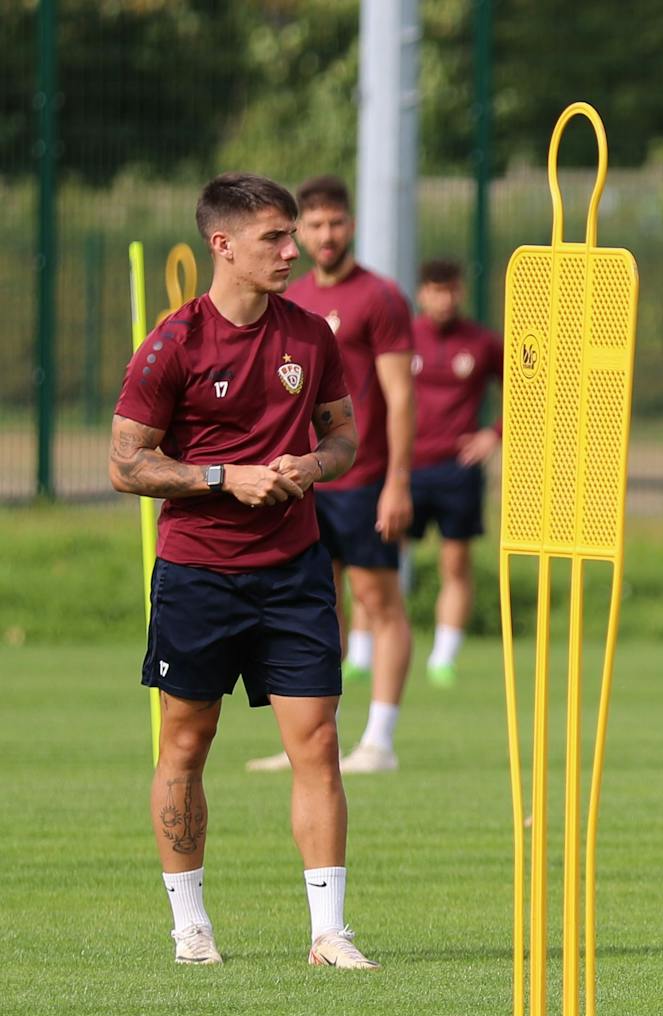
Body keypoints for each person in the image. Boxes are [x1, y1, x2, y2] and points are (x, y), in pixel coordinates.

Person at [110, 171, 379, 969]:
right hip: (198, 573)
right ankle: (190, 927)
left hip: (295, 570)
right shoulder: (173, 343)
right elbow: (126, 463)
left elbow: (344, 438)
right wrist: (226, 477)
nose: (293, 250)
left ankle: (329, 932)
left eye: (293, 234)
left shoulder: (311, 336)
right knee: (187, 741)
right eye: (275, 237)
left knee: (318, 740)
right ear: (223, 244)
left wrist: (311, 464)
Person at [248, 176, 416, 775]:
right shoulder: (291, 300)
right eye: (314, 225)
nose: (325, 235)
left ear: (352, 225)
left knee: (378, 600)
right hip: (306, 483)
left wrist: (398, 481)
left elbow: (400, 397)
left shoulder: (380, 297)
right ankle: (315, 740)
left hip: (365, 481)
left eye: (335, 223)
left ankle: (379, 741)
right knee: (319, 610)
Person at [406, 258, 503, 687]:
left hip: (457, 470)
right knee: (377, 564)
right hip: (405, 468)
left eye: (450, 290)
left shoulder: (482, 342)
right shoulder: (403, 337)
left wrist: (492, 435)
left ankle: (443, 658)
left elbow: (529, 387)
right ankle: (364, 653)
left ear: (460, 292)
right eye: (434, 290)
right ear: (422, 293)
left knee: (455, 563)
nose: (443, 299)